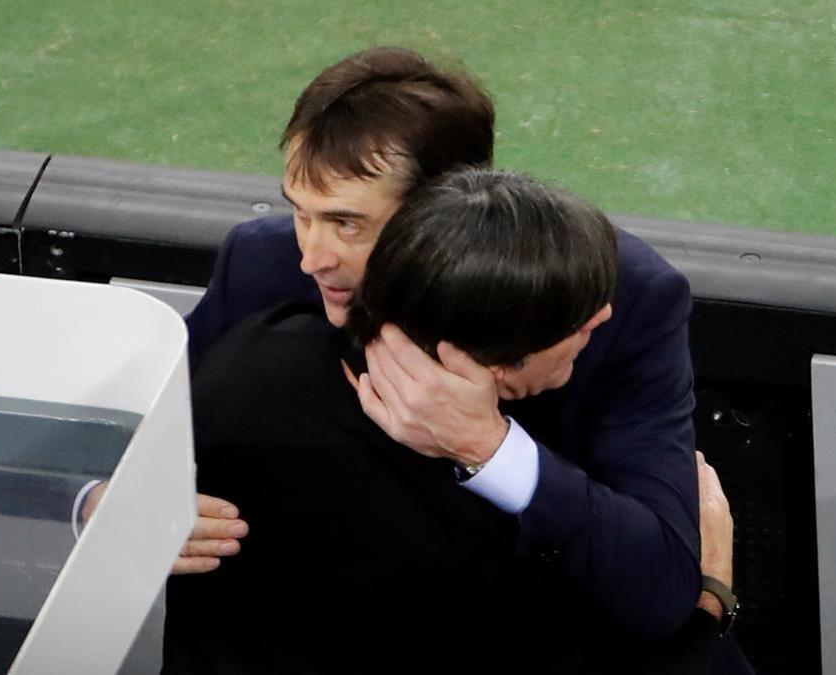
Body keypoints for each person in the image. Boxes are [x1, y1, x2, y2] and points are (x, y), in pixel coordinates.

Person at [176, 46, 715, 639]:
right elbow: (134, 437)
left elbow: (658, 583)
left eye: (347, 223)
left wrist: (486, 445)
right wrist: (117, 504)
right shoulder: (263, 265)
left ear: (443, 213)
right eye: (301, 213)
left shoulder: (619, 301)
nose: (312, 256)